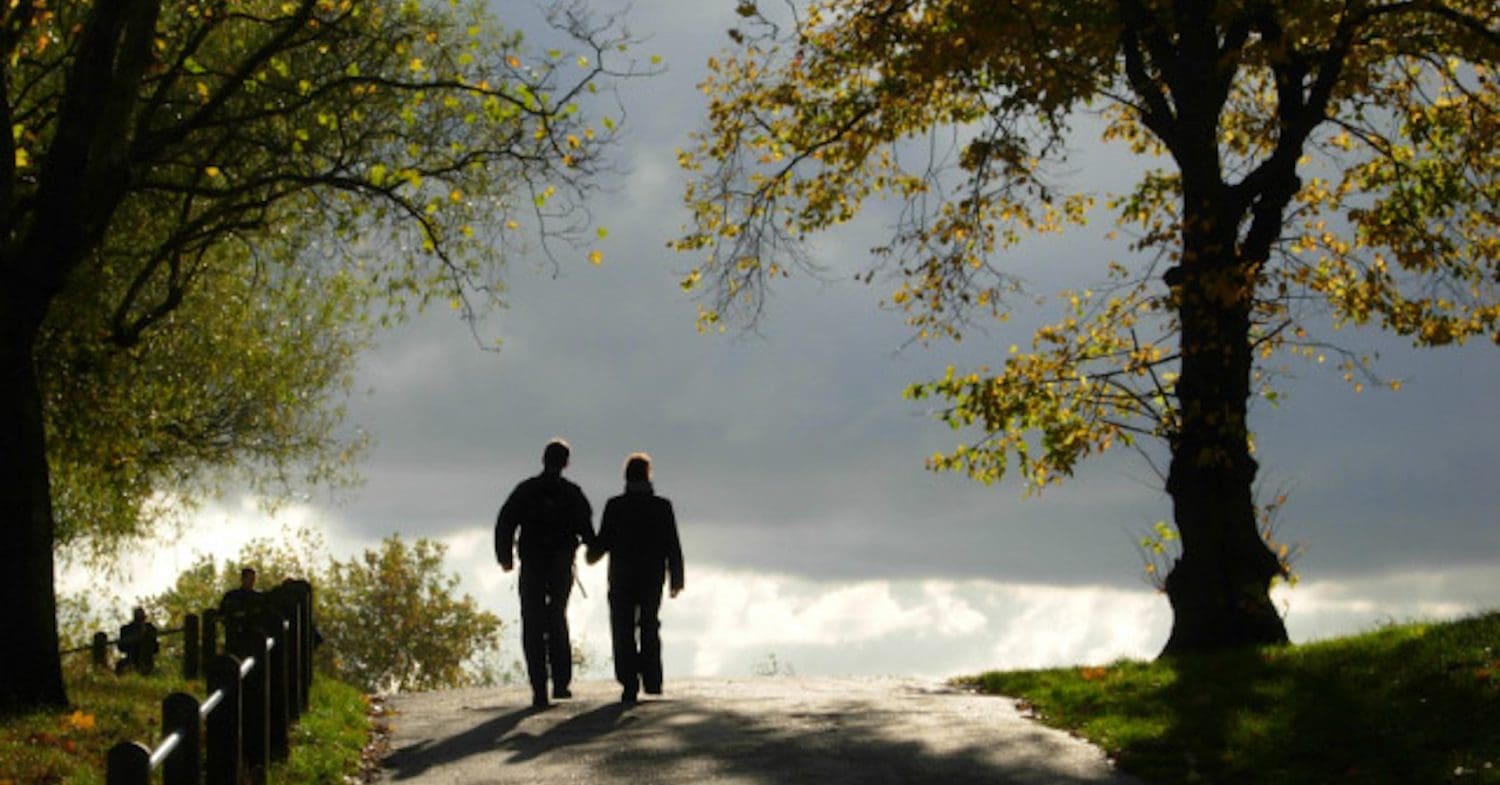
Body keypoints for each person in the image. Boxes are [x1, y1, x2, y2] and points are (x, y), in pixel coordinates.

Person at [496, 439, 595, 708]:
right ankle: (561, 682)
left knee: (533, 623)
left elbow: (505, 522)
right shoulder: (572, 493)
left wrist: (505, 557)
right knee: (557, 618)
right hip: (561, 565)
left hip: (533, 565)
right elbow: (586, 527)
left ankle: (539, 686)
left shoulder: (526, 490)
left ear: (543, 459)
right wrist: (594, 549)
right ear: (566, 463)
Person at [587, 453, 684, 704]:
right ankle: (652, 679)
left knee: (623, 629)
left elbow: (604, 540)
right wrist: (676, 579)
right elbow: (672, 544)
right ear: (648, 475)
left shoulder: (615, 506)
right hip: (652, 577)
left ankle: (629, 682)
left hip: (621, 576)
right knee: (650, 624)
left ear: (626, 476)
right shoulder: (662, 506)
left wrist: (590, 553)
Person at [219, 566, 266, 646]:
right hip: (235, 638)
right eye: (249, 578)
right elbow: (223, 615)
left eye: (253, 579)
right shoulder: (231, 597)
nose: (251, 582)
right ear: (243, 579)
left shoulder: (259, 598)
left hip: (253, 639)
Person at [115, 607, 160, 676]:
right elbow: (121, 647)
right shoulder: (126, 629)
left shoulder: (150, 628)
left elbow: (156, 648)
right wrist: (133, 640)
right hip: (131, 658)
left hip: (146, 659)